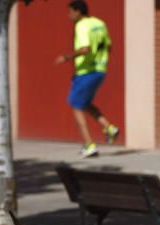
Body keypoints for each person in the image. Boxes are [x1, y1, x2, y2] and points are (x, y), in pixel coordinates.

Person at [54, 0, 119, 158]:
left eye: (70, 12)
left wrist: (66, 57)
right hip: (100, 70)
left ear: (78, 12)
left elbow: (84, 49)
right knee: (85, 103)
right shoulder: (99, 23)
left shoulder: (82, 26)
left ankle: (89, 145)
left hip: (86, 71)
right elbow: (109, 46)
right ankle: (109, 128)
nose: (69, 15)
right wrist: (101, 59)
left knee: (76, 105)